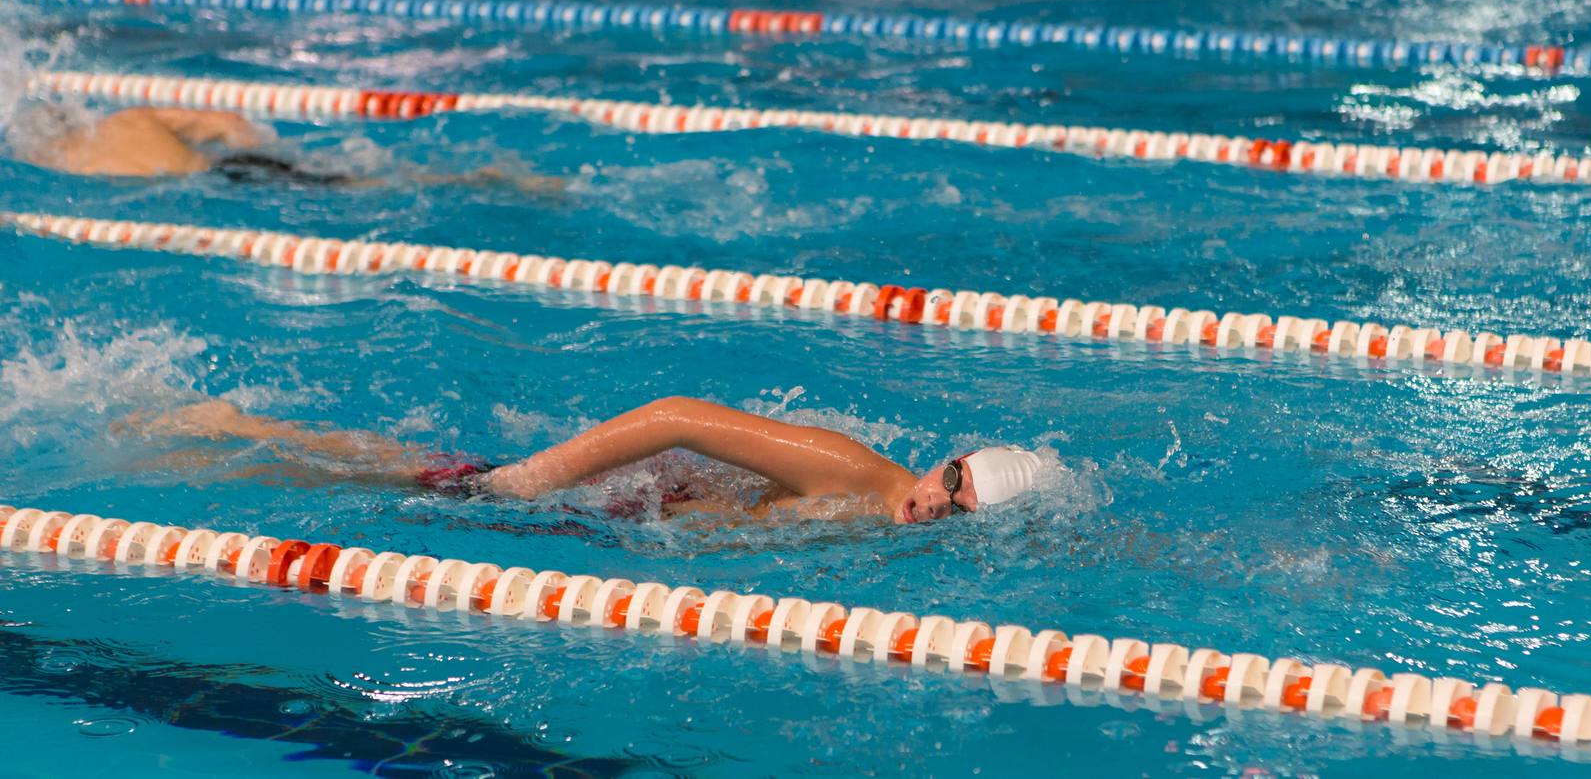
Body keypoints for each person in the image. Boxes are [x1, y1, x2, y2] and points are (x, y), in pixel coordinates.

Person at [122, 396, 1048, 524]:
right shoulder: (849, 469)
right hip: (613, 493)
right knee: (357, 477)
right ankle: (199, 428)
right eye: (952, 481)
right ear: (945, 460)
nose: (940, 503)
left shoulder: (882, 525)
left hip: (619, 518)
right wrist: (539, 478)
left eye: (960, 514)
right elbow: (678, 415)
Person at [6, 103, 561, 191]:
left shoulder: (53, 164)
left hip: (223, 188)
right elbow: (226, 118)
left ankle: (479, 180)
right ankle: (481, 177)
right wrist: (256, 141)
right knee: (353, 184)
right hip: (237, 166)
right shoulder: (130, 117)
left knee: (352, 191)